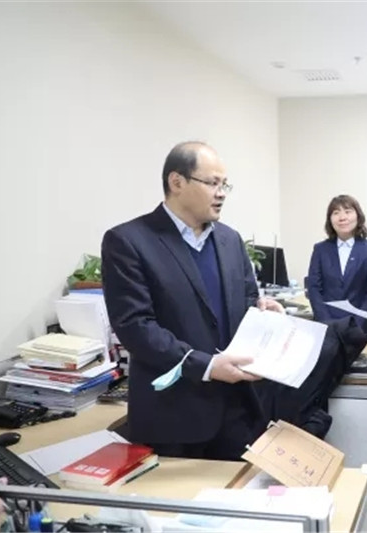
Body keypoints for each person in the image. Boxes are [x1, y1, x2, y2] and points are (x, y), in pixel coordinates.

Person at [101, 141, 283, 461]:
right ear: (177, 182)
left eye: (225, 185)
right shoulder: (129, 241)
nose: (221, 193)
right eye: (213, 183)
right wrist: (207, 367)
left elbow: (245, 300)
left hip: (237, 413)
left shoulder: (229, 240)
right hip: (173, 418)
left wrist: (261, 310)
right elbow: (135, 327)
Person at [306, 195, 367, 335]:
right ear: (330, 219)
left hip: (361, 328)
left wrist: (354, 327)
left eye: (348, 211)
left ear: (358, 216)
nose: (342, 217)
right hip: (327, 328)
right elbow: (314, 288)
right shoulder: (320, 249)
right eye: (336, 213)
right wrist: (328, 324)